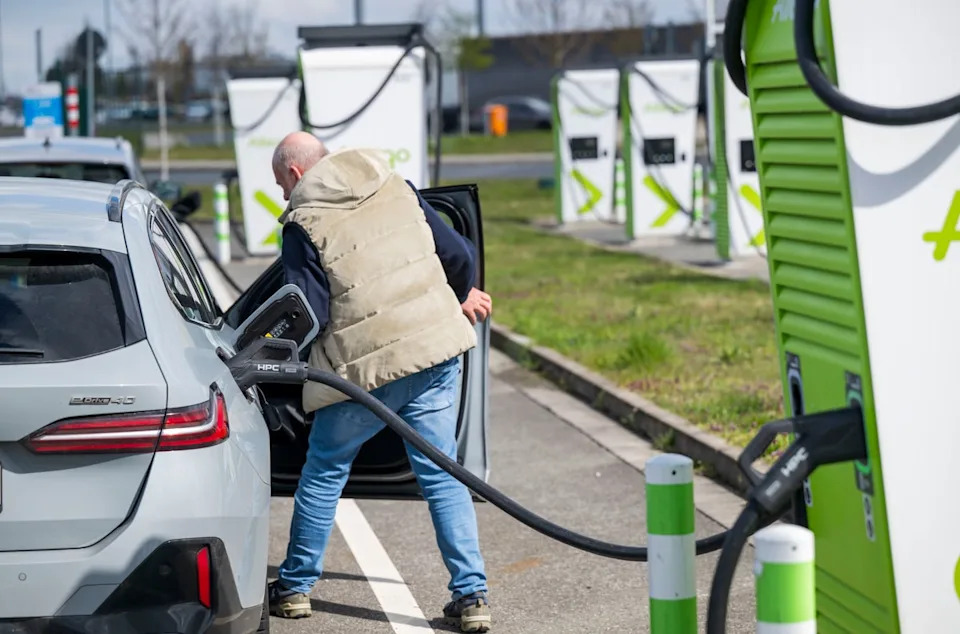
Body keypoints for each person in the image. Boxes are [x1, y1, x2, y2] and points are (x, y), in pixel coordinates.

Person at [267, 131, 494, 633]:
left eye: (282, 184)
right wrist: (451, 299)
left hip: (363, 373)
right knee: (441, 474)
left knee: (325, 469)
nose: (284, 195)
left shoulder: (304, 223)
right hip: (434, 355)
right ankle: (472, 595)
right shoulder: (397, 187)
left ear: (297, 174)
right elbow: (457, 256)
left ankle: (296, 588)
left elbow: (308, 309)